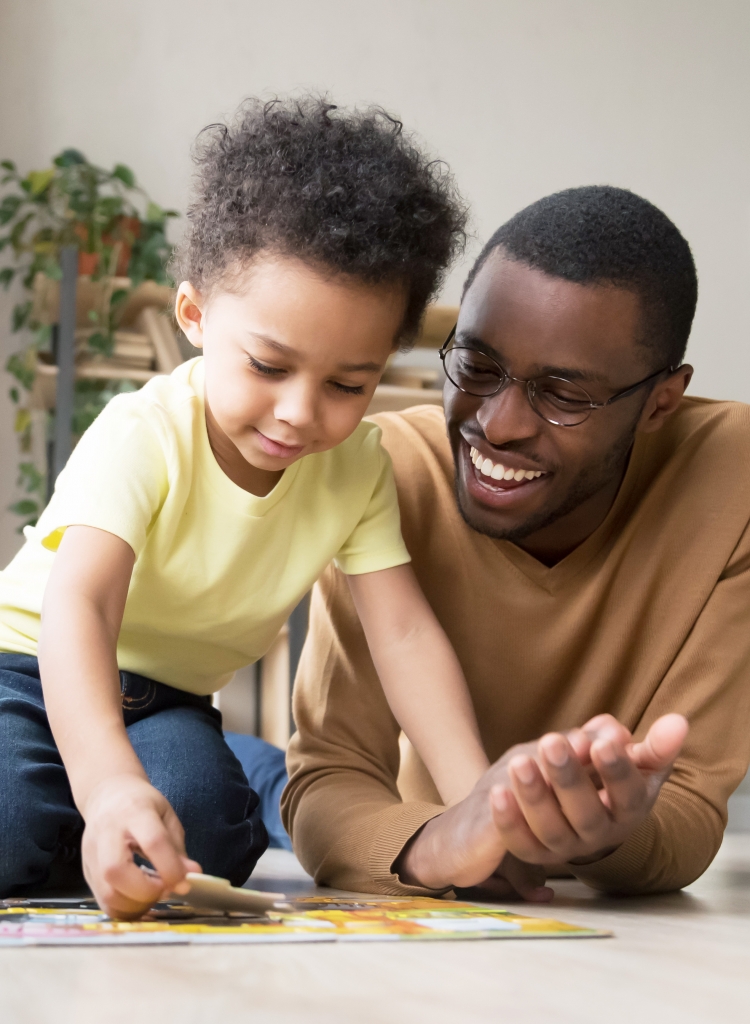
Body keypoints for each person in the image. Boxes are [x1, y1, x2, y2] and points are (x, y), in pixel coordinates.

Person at [0, 96, 492, 918]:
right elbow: (78, 606)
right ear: (195, 316)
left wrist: (478, 799)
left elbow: (404, 635)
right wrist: (112, 784)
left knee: (205, 835)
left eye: (347, 384)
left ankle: (233, 769)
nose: (302, 412)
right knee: (15, 822)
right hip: (23, 669)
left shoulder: (357, 468)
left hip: (168, 699)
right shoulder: (143, 432)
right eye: (268, 366)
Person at [282, 185, 750, 900]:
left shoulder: (733, 483)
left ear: (661, 401)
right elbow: (327, 779)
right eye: (476, 367)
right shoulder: (387, 474)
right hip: (435, 862)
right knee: (224, 790)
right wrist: (441, 843)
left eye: (563, 395)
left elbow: (689, 811)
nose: (497, 425)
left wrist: (611, 830)